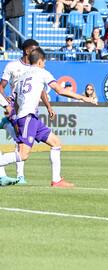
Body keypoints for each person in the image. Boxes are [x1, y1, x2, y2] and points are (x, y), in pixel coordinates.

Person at [0, 48, 97, 187]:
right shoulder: (42, 73)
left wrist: (16, 119)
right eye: (44, 62)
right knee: (23, 155)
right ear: (40, 61)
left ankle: (56, 180)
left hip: (28, 117)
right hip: (28, 117)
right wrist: (84, 98)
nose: (45, 64)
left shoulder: (21, 77)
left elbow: (16, 101)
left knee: (56, 142)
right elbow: (60, 90)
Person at [0, 39, 55, 185]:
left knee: (20, 141)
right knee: (20, 140)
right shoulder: (12, 66)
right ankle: (15, 176)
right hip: (15, 107)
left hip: (29, 109)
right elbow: (1, 86)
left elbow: (41, 89)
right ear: (27, 51)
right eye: (34, 49)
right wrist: (7, 104)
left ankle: (20, 176)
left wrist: (48, 106)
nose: (37, 52)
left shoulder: (36, 69)